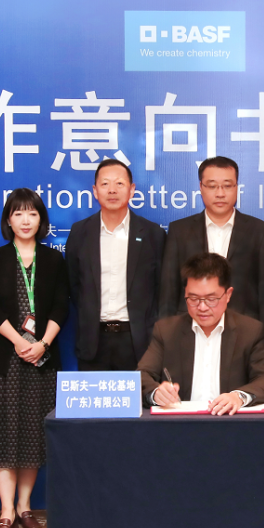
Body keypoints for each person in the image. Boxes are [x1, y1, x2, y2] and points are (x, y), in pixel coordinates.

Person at [0, 189, 69, 528]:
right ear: (8, 220)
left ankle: (24, 507)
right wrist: (18, 340)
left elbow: (61, 306)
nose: (26, 220)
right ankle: (5, 512)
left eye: (32, 213)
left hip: (41, 360)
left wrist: (42, 343)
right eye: (18, 214)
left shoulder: (54, 260)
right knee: (3, 435)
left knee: (33, 434)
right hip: (3, 360)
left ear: (41, 219)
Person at [158, 156, 264, 359]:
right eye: (212, 186)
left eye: (227, 186)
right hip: (189, 332)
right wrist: (166, 339)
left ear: (237, 187)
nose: (220, 193)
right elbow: (169, 290)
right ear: (201, 187)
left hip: (244, 335)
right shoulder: (180, 231)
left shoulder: (260, 231)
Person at [139, 253, 264, 413]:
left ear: (228, 295)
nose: (202, 307)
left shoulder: (250, 331)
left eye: (211, 299)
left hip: (230, 421)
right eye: (193, 298)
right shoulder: (167, 331)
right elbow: (142, 375)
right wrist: (156, 393)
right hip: (181, 422)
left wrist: (238, 397)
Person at [66, 159, 166, 372]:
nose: (112, 190)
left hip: (138, 342)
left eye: (119, 183)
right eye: (105, 184)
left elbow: (161, 288)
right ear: (95, 191)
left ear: (132, 190)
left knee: (140, 395)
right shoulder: (79, 232)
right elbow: (74, 285)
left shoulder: (153, 234)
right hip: (93, 342)